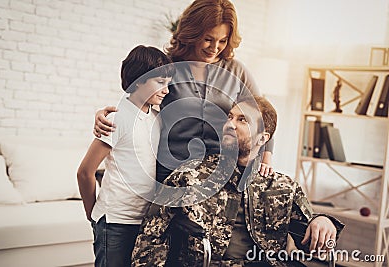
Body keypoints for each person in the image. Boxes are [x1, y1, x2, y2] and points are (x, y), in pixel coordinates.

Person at [131, 95, 344, 267]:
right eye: (230, 117)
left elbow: (309, 243)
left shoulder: (283, 187)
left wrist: (323, 220)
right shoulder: (189, 177)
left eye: (242, 120)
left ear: (263, 138)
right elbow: (151, 237)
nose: (230, 124)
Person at [92, 0, 274, 181]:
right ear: (192, 34)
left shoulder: (237, 71)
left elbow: (263, 118)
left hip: (220, 175)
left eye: (223, 41)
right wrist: (106, 115)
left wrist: (266, 159)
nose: (215, 48)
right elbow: (136, 101)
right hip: (170, 173)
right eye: (208, 39)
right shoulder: (168, 66)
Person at [77, 45, 174, 267]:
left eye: (168, 83)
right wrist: (93, 215)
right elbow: (85, 172)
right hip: (115, 222)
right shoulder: (118, 118)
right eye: (160, 82)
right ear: (138, 79)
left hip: (143, 222)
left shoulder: (157, 118)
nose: (166, 90)